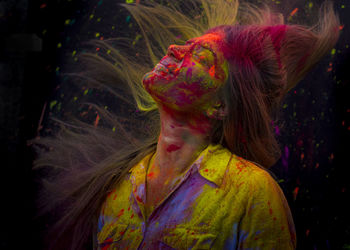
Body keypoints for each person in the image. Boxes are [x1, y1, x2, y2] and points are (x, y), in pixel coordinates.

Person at [31, 0, 339, 249]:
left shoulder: (253, 193)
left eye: (201, 56)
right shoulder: (119, 188)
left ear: (219, 105)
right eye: (185, 45)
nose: (174, 50)